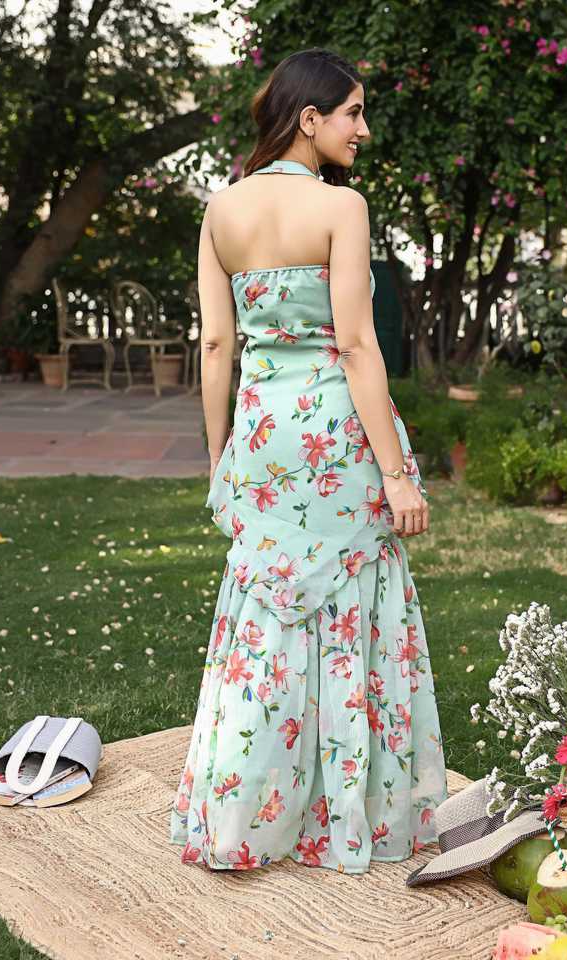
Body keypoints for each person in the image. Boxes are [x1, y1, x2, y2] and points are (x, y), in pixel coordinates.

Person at [169, 49, 449, 874]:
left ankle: (245, 816)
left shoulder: (221, 210)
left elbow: (214, 345)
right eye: (354, 113)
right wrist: (395, 473)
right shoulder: (341, 207)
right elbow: (357, 345)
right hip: (336, 438)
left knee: (267, 620)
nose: (364, 130)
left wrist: (220, 460)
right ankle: (349, 814)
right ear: (310, 118)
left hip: (263, 442)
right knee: (352, 611)